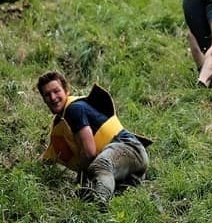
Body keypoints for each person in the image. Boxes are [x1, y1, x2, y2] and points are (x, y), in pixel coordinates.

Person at [38, 71, 151, 204]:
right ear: (43, 99)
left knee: (99, 166)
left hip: (129, 148)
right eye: (47, 94)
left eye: (56, 91)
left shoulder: (74, 109)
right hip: (125, 166)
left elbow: (89, 152)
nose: (53, 97)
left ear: (66, 91)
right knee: (89, 192)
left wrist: (81, 175)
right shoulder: (62, 121)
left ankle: (98, 204)